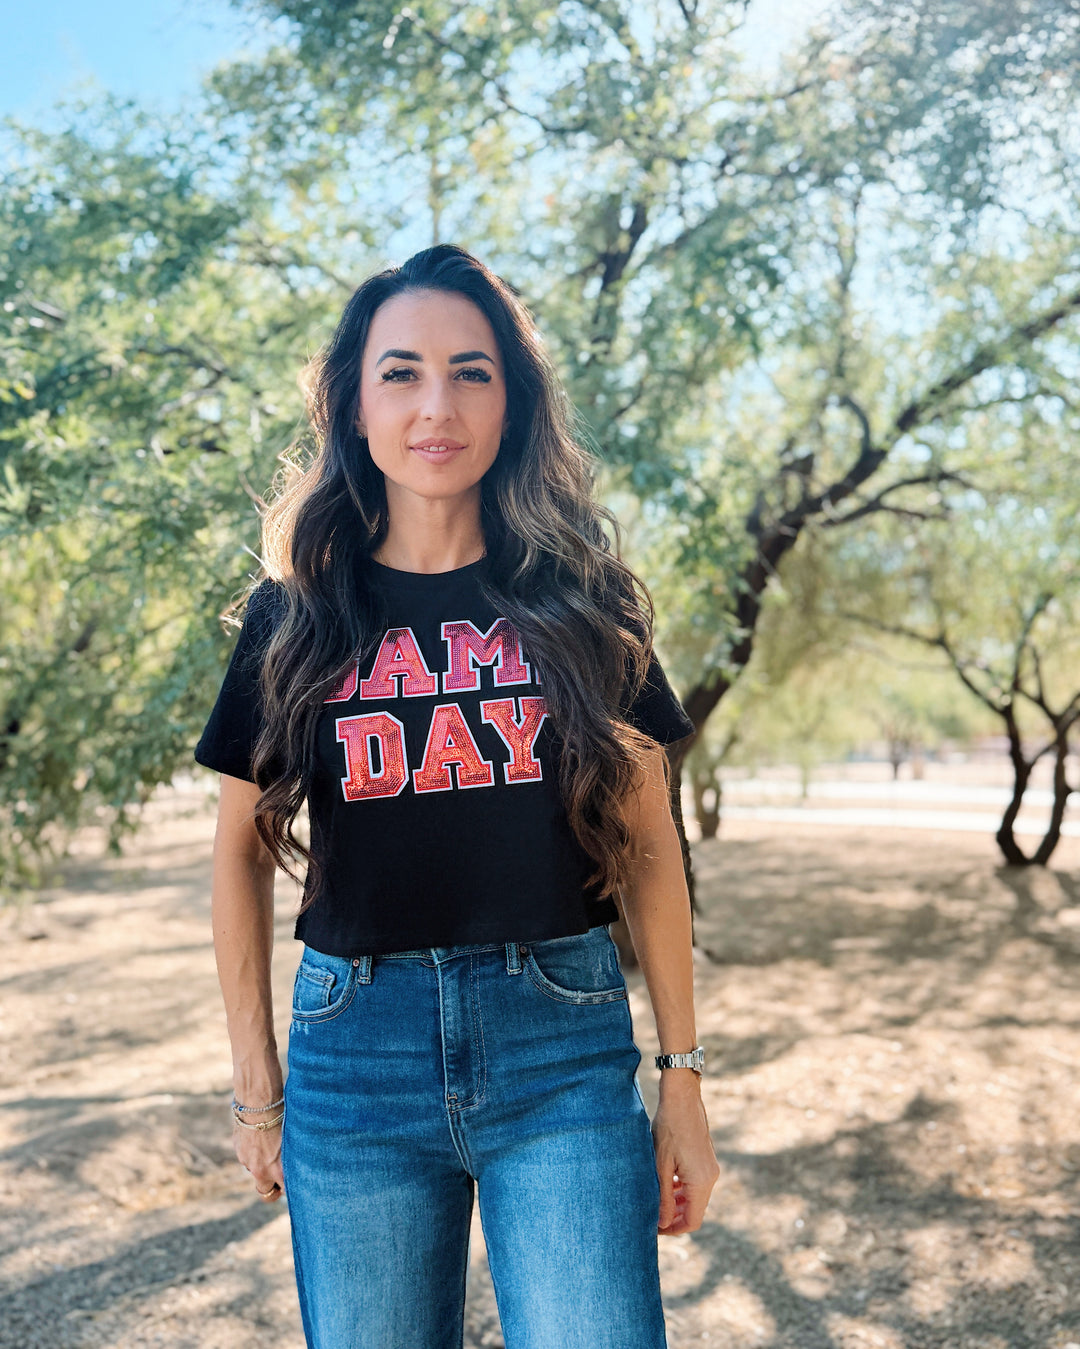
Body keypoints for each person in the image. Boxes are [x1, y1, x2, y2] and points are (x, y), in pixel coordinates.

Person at [194, 243, 720, 1349]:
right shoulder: (294, 617)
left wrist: (680, 1076)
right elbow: (237, 848)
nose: (438, 405)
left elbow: (650, 845)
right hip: (354, 1055)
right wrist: (257, 1079)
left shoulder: (583, 601)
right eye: (403, 371)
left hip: (562, 1050)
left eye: (473, 370)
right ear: (352, 399)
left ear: (513, 398)